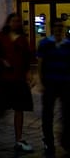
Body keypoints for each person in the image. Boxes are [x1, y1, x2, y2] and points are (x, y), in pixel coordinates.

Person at [0, 13, 34, 152]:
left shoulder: (22, 39)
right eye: (13, 21)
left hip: (19, 79)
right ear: (8, 23)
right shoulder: (0, 38)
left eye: (18, 21)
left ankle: (18, 139)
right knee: (0, 109)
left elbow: (28, 57)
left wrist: (29, 72)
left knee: (19, 109)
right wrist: (1, 61)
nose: (16, 23)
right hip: (5, 80)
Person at [37, 18, 70, 156]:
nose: (58, 29)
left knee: (67, 114)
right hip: (50, 83)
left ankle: (66, 142)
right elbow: (40, 63)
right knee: (47, 115)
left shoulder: (68, 44)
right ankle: (49, 143)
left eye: (60, 27)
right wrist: (41, 81)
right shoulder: (45, 44)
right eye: (56, 26)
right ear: (51, 28)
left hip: (66, 83)